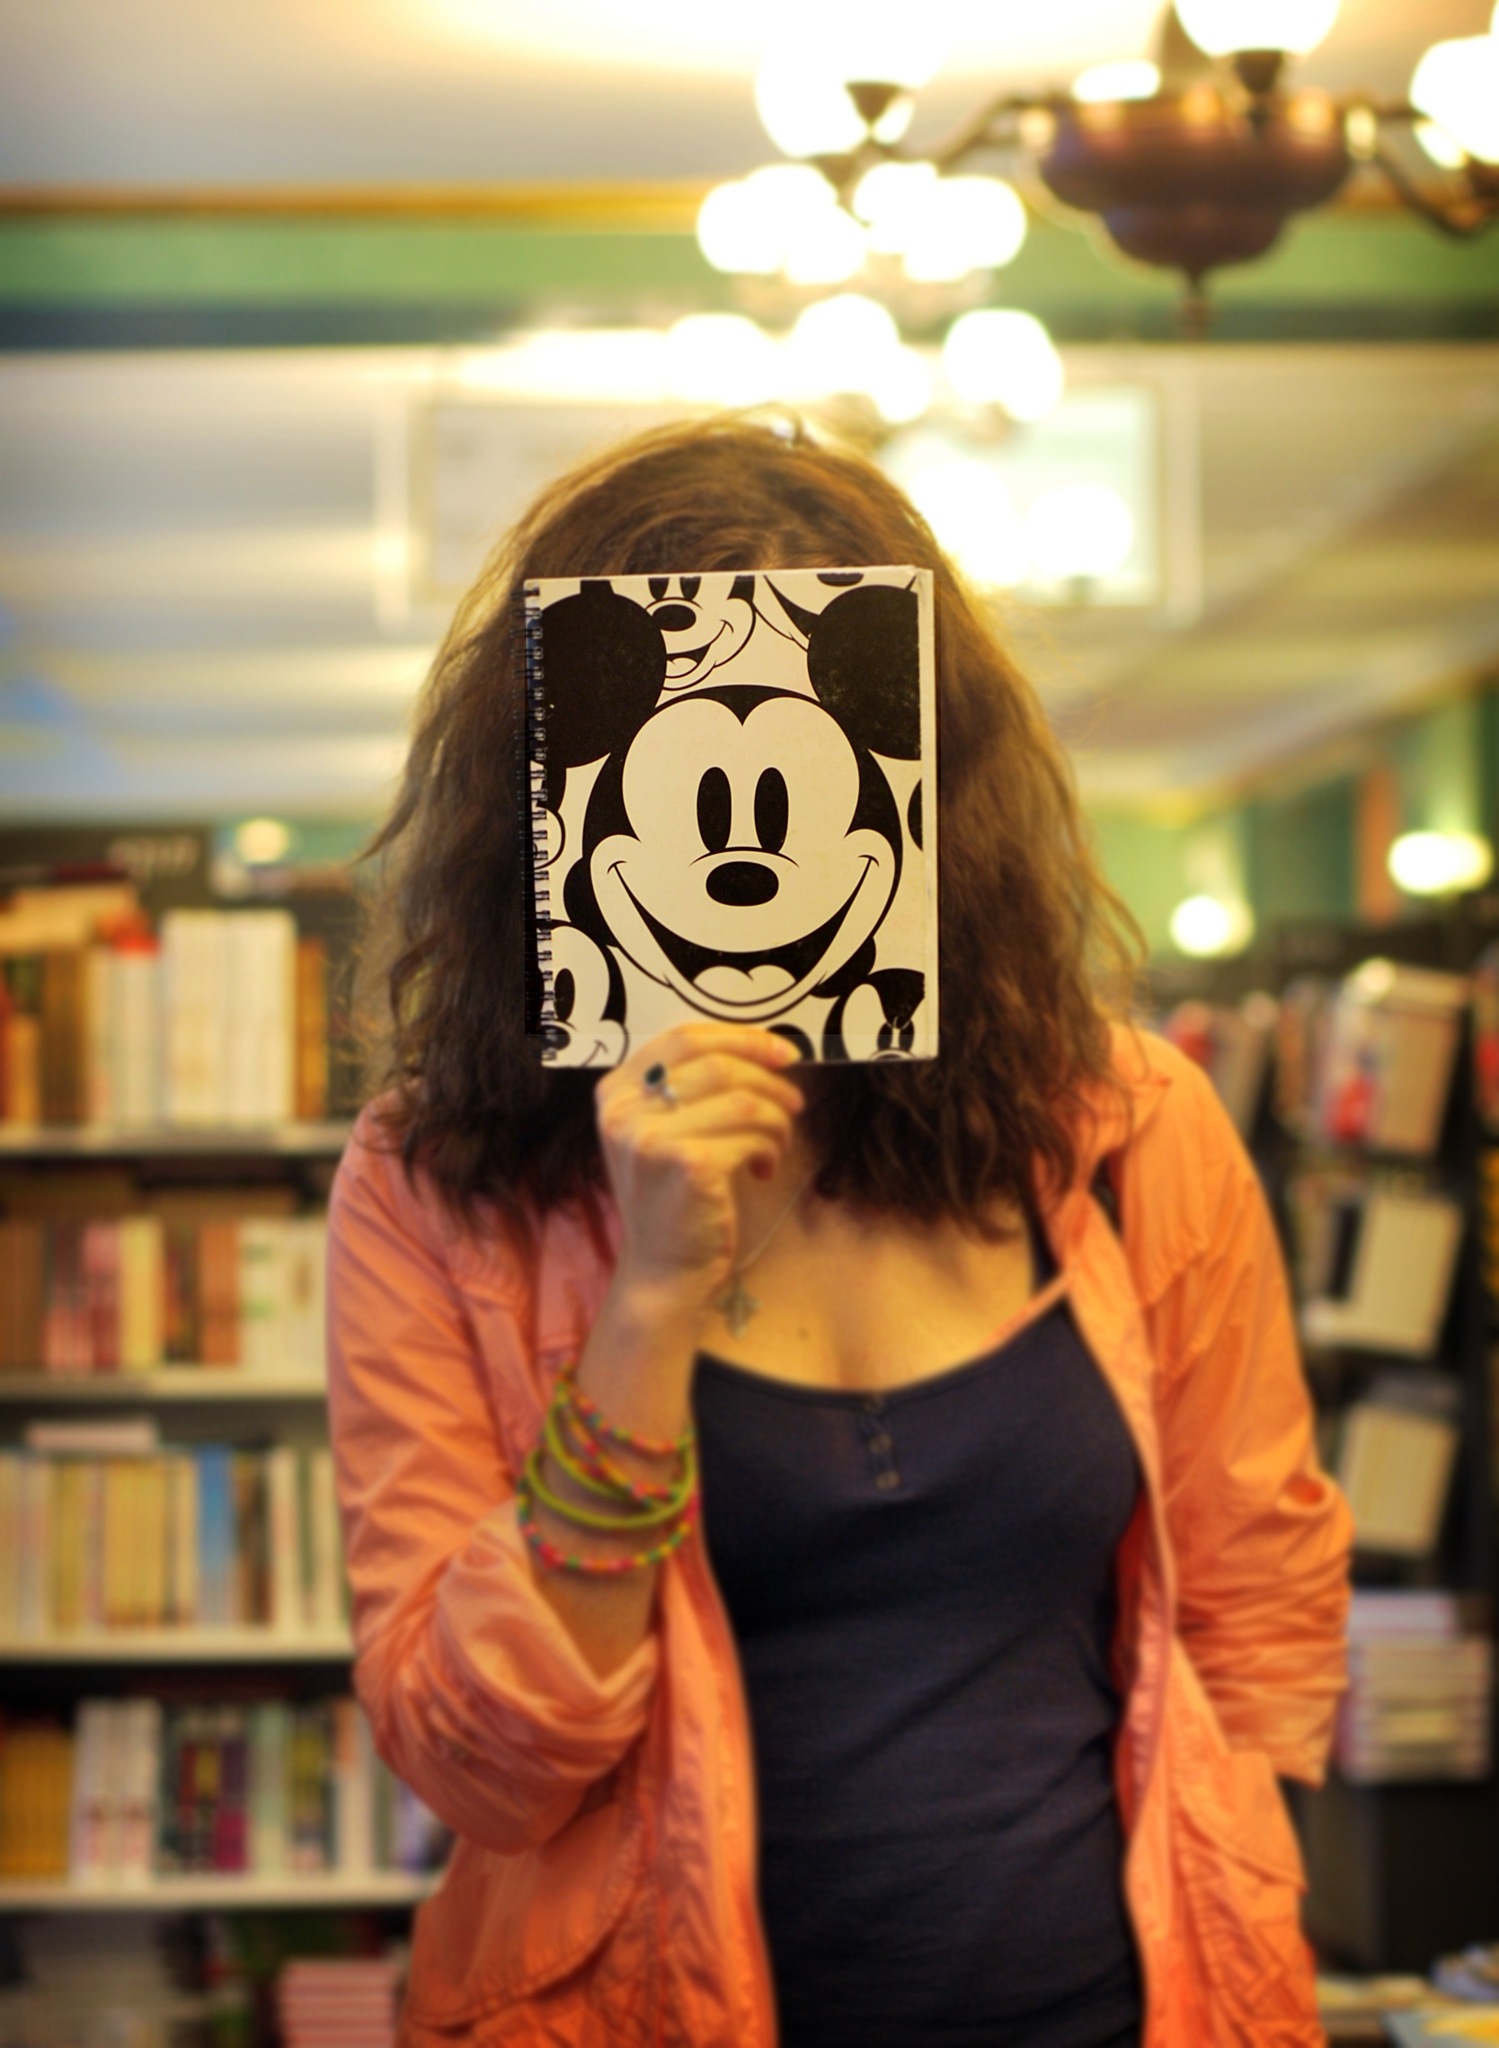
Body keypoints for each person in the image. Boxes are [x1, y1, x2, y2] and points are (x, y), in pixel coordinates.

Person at [326, 412, 1352, 2048]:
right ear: (561, 805)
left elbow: (1258, 1604)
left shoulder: (1124, 1128)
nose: (748, 837)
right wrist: (648, 1305)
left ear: (922, 790)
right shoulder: (437, 1185)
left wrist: (1238, 1911)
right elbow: (478, 1765)